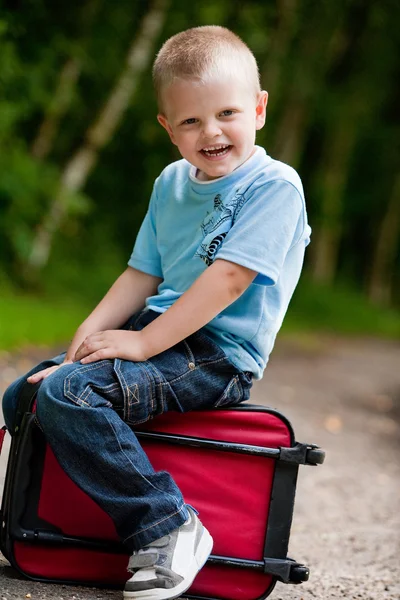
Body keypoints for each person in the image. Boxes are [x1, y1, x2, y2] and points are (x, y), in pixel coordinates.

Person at [2, 25, 311, 600]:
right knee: (24, 394)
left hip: (217, 355)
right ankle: (41, 524)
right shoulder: (171, 183)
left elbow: (230, 279)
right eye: (191, 121)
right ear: (168, 128)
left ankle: (170, 526)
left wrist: (140, 345)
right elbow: (141, 275)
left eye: (226, 113)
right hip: (158, 337)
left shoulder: (275, 186)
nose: (211, 132)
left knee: (68, 395)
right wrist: (87, 339)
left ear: (259, 109)